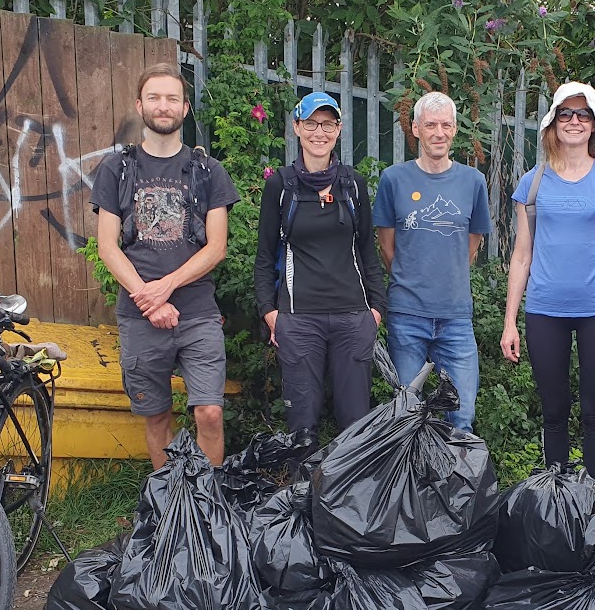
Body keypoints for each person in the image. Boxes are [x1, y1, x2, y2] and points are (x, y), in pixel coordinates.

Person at [500, 82, 595, 485]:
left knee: (594, 410)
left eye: (583, 115)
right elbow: (521, 256)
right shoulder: (532, 183)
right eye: (565, 113)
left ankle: (594, 499)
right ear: (552, 122)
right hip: (544, 309)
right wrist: (510, 322)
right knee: (554, 410)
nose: (574, 121)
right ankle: (558, 500)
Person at [91, 63, 238, 469]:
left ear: (185, 109)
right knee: (156, 415)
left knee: (209, 412)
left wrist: (165, 288)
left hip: (197, 314)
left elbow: (217, 248)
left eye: (172, 98)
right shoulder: (116, 169)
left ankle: (208, 506)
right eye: (154, 97)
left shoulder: (209, 172)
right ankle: (171, 505)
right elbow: (107, 247)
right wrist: (150, 301)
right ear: (140, 105)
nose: (163, 106)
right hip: (139, 316)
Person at [253, 92, 386, 441]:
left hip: (352, 318)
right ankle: (302, 494)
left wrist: (376, 310)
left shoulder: (352, 184)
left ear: (339, 129)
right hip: (298, 320)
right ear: (296, 127)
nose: (319, 132)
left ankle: (352, 494)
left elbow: (366, 251)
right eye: (310, 123)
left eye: (327, 124)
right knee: (302, 424)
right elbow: (265, 255)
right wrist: (270, 311)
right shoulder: (281, 185)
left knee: (355, 424)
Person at [372, 91, 491, 430]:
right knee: (408, 416)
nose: (439, 132)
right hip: (407, 315)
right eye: (431, 125)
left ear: (455, 130)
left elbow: (471, 246)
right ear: (415, 129)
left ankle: (455, 483)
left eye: (446, 125)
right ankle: (413, 483)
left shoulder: (473, 182)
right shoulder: (393, 180)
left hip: (455, 317)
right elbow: (387, 248)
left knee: (462, 415)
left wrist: (445, 279)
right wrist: (415, 281)